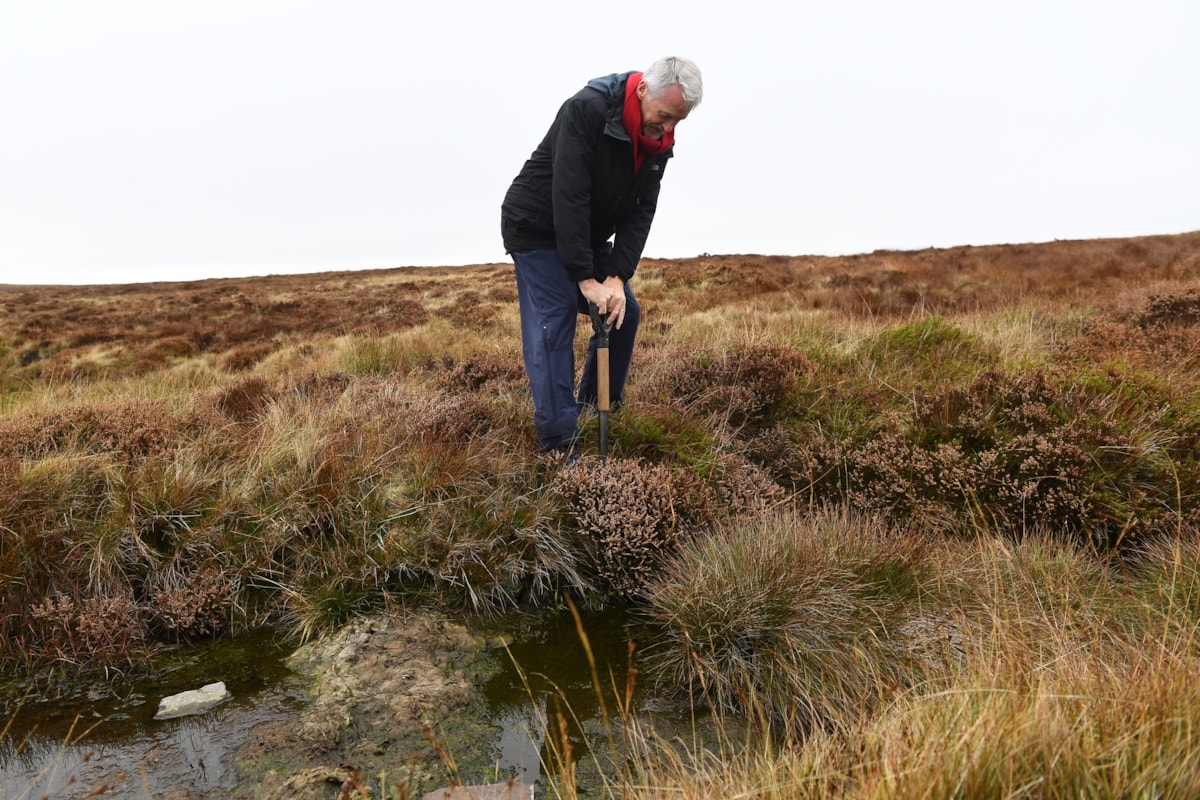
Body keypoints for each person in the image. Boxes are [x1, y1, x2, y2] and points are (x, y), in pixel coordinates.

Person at [501, 56, 703, 456]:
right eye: (664, 117)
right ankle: (559, 441)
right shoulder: (587, 110)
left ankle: (596, 402)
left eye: (677, 122)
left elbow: (641, 212)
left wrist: (615, 277)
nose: (668, 130)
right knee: (555, 316)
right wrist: (585, 277)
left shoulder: (658, 142)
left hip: (585, 232)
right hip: (536, 225)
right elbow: (569, 194)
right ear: (643, 90)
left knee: (623, 309)